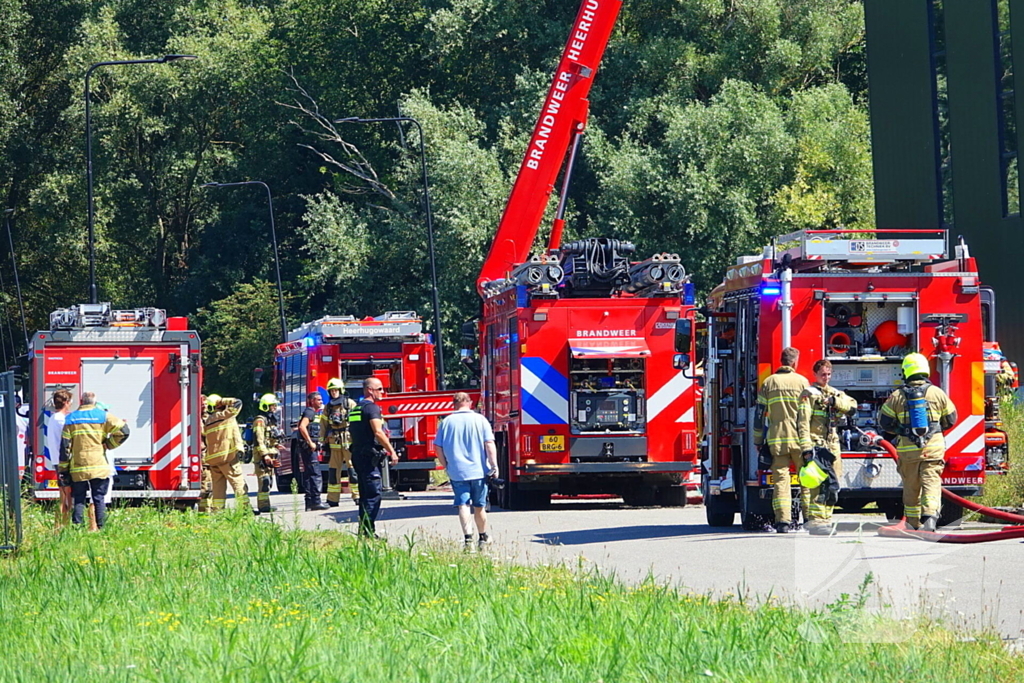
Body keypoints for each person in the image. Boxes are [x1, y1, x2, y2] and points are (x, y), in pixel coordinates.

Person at [879, 352, 958, 532]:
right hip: (933, 448)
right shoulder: (937, 393)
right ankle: (930, 518)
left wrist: (901, 430)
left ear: (905, 371)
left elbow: (884, 422)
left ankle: (912, 522)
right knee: (931, 481)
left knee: (911, 485)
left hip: (909, 451)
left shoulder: (897, 396)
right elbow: (951, 419)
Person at [797, 359, 857, 535]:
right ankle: (816, 521)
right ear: (815, 374)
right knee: (819, 484)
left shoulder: (835, 393)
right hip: (816, 444)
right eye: (823, 374)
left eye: (829, 374)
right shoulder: (808, 394)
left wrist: (835, 402)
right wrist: (806, 448)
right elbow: (803, 423)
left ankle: (826, 519)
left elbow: (852, 406)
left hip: (833, 445)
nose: (826, 378)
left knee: (833, 484)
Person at [754, 347, 809, 534]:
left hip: (777, 440)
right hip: (800, 440)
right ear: (795, 362)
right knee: (806, 479)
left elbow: (759, 414)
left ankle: (783, 522)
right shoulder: (802, 382)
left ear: (781, 361)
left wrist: (757, 439)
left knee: (781, 482)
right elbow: (808, 414)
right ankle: (808, 519)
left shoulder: (769, 382)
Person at [434, 392, 498, 551]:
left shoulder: (446, 422)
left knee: (462, 504)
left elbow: (437, 447)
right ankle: (483, 537)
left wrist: (446, 465)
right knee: (479, 506)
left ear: (454, 404)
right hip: (478, 471)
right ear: (470, 402)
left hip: (457, 472)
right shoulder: (480, 420)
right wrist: (494, 466)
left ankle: (468, 538)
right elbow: (489, 444)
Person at [59, 391, 130, 529]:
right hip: (99, 466)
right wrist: (109, 444)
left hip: (78, 467)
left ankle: (77, 528)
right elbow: (124, 431)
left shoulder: (70, 419)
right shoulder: (103, 416)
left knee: (79, 499)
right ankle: (102, 528)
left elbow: (65, 447)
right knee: (98, 498)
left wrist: (63, 469)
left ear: (81, 401)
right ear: (94, 402)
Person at [348, 377, 398, 538]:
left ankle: (364, 530)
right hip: (368, 457)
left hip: (357, 454)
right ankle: (368, 531)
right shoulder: (372, 408)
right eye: (380, 389)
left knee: (364, 494)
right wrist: (391, 450)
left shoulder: (356, 409)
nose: (383, 392)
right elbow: (378, 431)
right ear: (370, 390)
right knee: (373, 494)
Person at [203, 396, 252, 513]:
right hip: (227, 457)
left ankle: (218, 511)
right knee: (238, 483)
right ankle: (245, 509)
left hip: (213, 459)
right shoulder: (225, 416)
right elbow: (238, 402)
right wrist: (223, 400)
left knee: (218, 488)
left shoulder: (209, 420)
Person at [321, 378, 358, 506]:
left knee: (352, 469)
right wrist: (321, 441)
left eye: (336, 390)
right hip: (334, 441)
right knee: (333, 471)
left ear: (341, 390)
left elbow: (357, 421)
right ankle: (332, 499)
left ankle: (357, 496)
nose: (334, 393)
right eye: (331, 391)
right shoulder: (328, 407)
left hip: (348, 440)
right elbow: (323, 424)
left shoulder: (350, 404)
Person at [46, 389, 78, 529]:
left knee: (62, 494)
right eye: (70, 401)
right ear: (65, 402)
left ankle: (59, 525)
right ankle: (63, 525)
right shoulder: (61, 419)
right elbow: (68, 439)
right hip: (64, 460)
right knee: (67, 495)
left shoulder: (53, 418)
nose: (71, 404)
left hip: (56, 459)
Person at [297, 391, 329, 511]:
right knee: (315, 474)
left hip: (308, 447)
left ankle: (310, 502)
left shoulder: (312, 412)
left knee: (309, 474)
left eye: (321, 400)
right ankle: (315, 501)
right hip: (309, 448)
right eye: (318, 400)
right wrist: (310, 442)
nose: (321, 402)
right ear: (312, 401)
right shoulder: (310, 412)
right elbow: (302, 427)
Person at [251, 394, 283, 515]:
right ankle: (263, 506)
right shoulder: (260, 421)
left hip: (270, 454)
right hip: (262, 456)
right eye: (272, 406)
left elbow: (269, 438)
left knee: (269, 480)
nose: (274, 408)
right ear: (265, 406)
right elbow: (259, 440)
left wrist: (276, 446)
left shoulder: (270, 420)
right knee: (264, 480)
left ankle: (265, 504)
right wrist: (265, 455)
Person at [197, 393, 221, 513]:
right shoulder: (196, 419)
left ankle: (212, 509)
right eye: (202, 404)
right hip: (202, 456)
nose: (204, 407)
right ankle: (205, 512)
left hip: (210, 455)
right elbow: (204, 433)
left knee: (212, 485)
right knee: (205, 486)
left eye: (206, 404)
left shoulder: (208, 418)